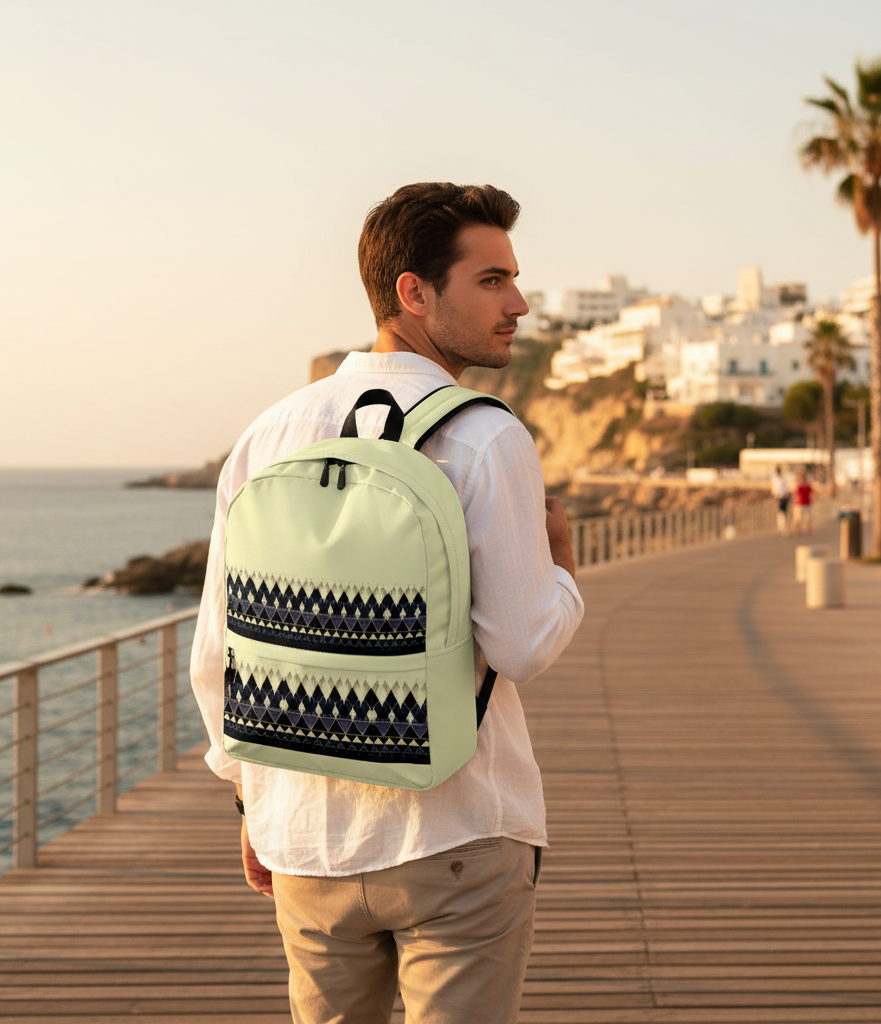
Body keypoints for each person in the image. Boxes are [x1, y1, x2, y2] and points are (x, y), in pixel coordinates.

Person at [189, 182, 585, 1024]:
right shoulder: (484, 435)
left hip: (304, 840)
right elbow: (521, 644)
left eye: (514, 280)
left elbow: (221, 650)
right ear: (414, 292)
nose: (518, 305)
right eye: (491, 281)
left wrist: (251, 802)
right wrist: (564, 570)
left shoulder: (270, 434)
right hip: (456, 835)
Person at [771, 465, 790, 536]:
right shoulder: (775, 480)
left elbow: (785, 489)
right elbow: (774, 489)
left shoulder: (783, 479)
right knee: (780, 513)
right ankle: (781, 527)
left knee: (783, 513)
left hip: (784, 497)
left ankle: (784, 527)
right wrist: (776, 497)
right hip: (778, 498)